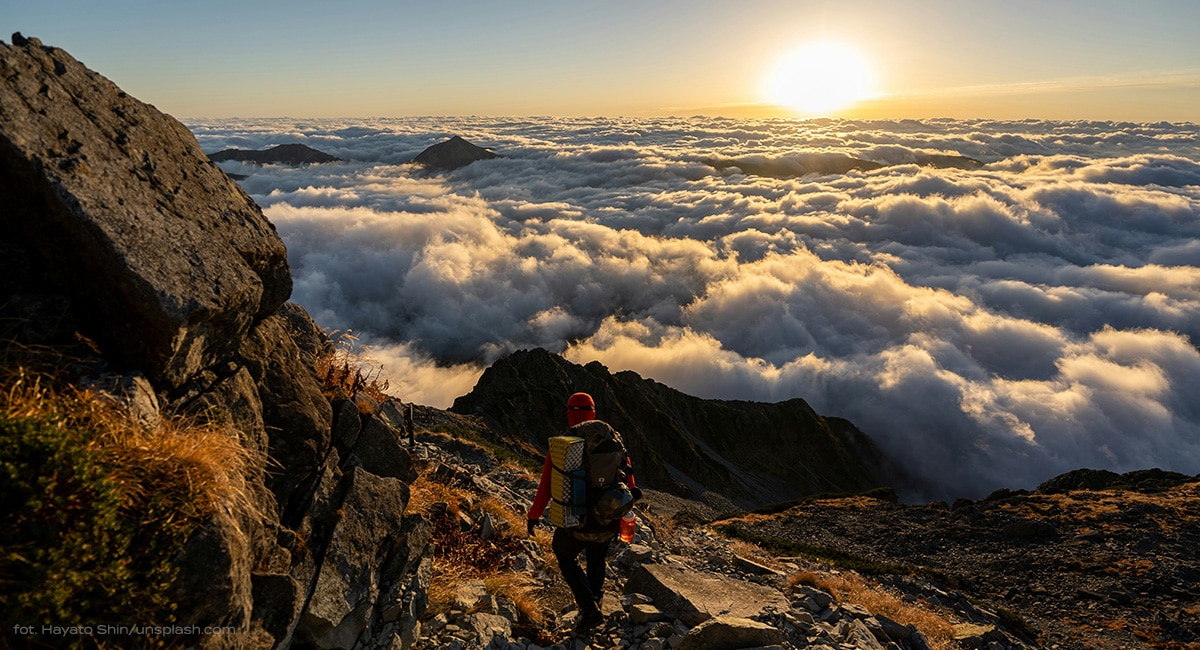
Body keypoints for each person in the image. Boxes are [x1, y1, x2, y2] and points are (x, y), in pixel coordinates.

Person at [526, 392, 641, 634]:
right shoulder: (613, 438)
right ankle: (595, 601)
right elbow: (628, 477)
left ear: (569, 413)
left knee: (565, 555)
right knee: (597, 558)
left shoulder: (564, 445)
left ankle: (589, 609)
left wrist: (533, 516)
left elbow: (546, 486)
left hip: (577, 521)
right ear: (593, 412)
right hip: (608, 517)